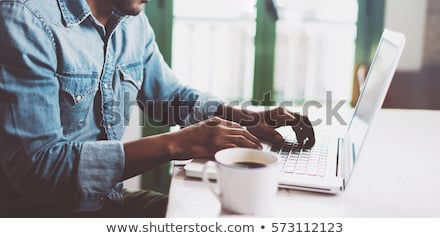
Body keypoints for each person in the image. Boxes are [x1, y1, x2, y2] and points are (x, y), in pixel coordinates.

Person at [0, 0, 315, 217]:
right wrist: (177, 143)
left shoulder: (130, 19)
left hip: (107, 203)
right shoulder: (25, 19)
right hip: (43, 216)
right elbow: (37, 169)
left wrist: (245, 117)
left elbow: (171, 96)